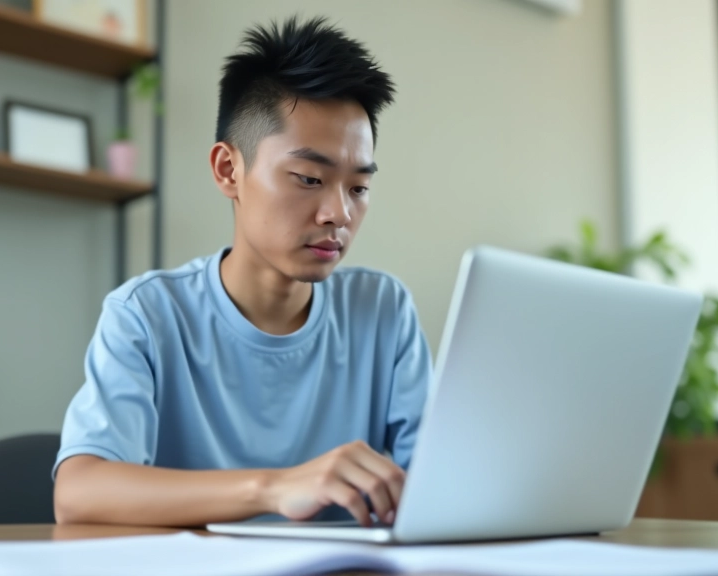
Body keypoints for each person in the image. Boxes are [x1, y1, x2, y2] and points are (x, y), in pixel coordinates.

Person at [53, 16, 433, 528]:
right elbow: (79, 493)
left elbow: (436, 486)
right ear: (228, 170)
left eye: (358, 188)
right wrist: (276, 488)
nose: (338, 214)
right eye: (309, 178)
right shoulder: (146, 315)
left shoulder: (382, 310)